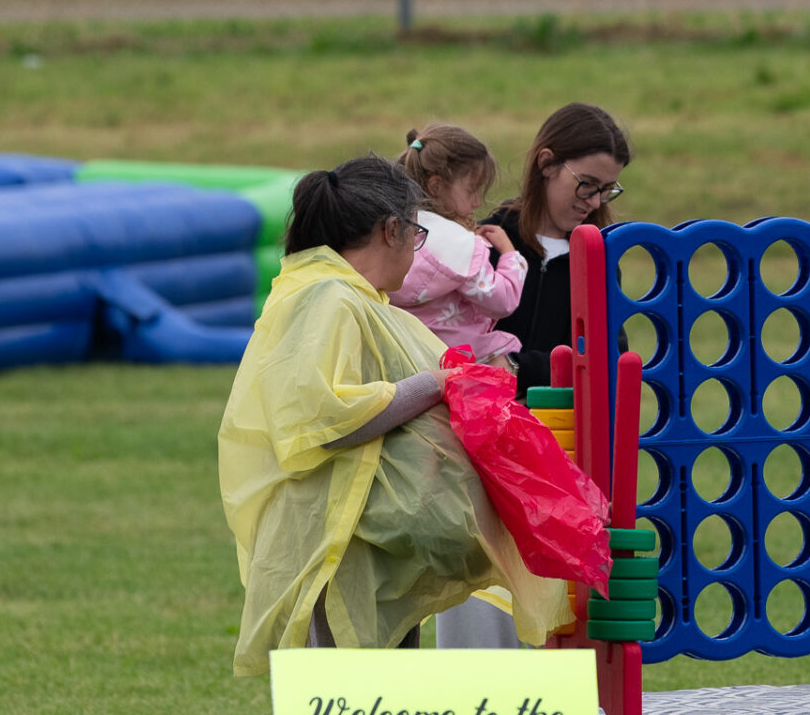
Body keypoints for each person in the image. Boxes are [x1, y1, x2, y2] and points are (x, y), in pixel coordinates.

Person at [217, 154, 570, 675]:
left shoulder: (356, 299)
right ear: (390, 230)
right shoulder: (328, 299)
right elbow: (325, 418)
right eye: (417, 235)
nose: (416, 249)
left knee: (387, 703)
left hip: (374, 546)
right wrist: (437, 383)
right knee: (350, 709)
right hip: (342, 545)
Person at [484, 103, 633, 396]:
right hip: (475, 428)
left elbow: (608, 360)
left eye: (606, 190)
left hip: (563, 435)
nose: (594, 202)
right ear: (547, 163)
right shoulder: (486, 244)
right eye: (587, 184)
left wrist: (516, 367)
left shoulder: (599, 260)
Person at [390, 124, 529, 367]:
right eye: (472, 190)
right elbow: (501, 301)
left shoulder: (395, 232)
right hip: (457, 356)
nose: (477, 202)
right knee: (503, 350)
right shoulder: (462, 246)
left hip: (405, 353)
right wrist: (509, 255)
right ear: (435, 186)